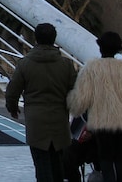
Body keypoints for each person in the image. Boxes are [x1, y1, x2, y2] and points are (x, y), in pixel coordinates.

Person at [68, 30, 122, 182]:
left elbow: (80, 100)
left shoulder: (91, 69)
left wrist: (74, 109)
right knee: (121, 160)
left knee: (106, 160)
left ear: (100, 47)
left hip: (103, 122)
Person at [5, 22, 77, 182]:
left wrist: (13, 108)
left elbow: (12, 91)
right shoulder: (66, 64)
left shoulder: (25, 64)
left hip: (36, 121)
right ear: (54, 39)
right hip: (59, 119)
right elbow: (75, 90)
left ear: (36, 39)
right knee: (57, 162)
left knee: (41, 163)